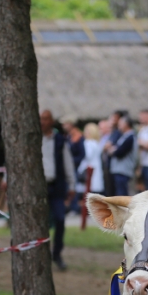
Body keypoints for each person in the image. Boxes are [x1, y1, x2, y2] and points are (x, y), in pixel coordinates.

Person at [40, 109, 76, 271]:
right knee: (41, 223)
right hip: (38, 188)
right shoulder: (32, 139)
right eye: (41, 119)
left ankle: (57, 254)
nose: (43, 122)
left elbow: (68, 163)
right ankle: (41, 254)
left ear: (52, 121)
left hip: (57, 186)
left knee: (60, 219)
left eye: (47, 119)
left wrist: (72, 184)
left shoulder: (60, 140)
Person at [105, 114, 136, 198]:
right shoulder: (125, 136)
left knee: (122, 194)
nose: (119, 125)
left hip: (123, 170)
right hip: (120, 170)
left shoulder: (130, 137)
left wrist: (113, 150)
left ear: (126, 124)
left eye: (121, 123)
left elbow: (119, 152)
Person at [78, 122, 104, 195]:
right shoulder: (97, 143)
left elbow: (87, 156)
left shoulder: (88, 142)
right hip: (96, 173)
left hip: (89, 172)